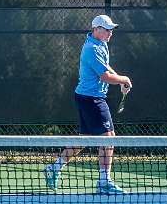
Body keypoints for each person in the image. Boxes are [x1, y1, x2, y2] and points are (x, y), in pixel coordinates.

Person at [43, 15, 132, 194]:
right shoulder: (91, 48)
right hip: (92, 99)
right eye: (107, 29)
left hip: (86, 97)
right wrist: (124, 78)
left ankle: (54, 168)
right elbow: (105, 77)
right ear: (96, 29)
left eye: (111, 29)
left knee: (84, 140)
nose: (110, 33)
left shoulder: (100, 44)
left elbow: (106, 67)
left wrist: (121, 80)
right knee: (108, 138)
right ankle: (104, 182)